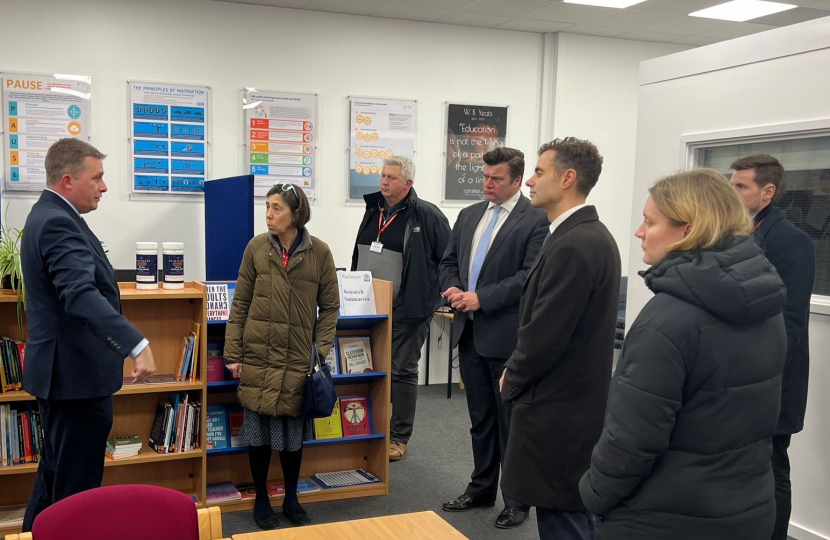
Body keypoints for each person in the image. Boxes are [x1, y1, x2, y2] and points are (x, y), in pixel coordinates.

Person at [579, 169, 788, 540]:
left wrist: (594, 494)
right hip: (749, 509)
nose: (639, 232)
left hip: (664, 518)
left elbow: (632, 440)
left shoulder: (666, 321)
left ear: (687, 230)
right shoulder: (766, 305)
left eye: (649, 221)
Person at [20, 138, 157, 530]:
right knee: (75, 492)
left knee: (53, 479)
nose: (104, 186)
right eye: (96, 177)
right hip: (76, 381)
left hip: (64, 379)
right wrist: (136, 342)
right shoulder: (59, 222)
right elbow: (80, 295)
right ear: (67, 180)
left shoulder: (46, 214)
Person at [500, 137, 621, 540]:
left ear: (568, 178)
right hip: (572, 404)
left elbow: (546, 333)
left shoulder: (576, 243)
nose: (530, 181)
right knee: (573, 510)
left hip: (559, 408)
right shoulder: (584, 235)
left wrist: (512, 376)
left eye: (538, 172)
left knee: (562, 513)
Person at [438, 147, 548, 529]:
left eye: (496, 178)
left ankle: (516, 501)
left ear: (517, 181)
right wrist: (452, 288)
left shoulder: (535, 219)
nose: (487, 183)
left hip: (507, 337)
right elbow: (448, 261)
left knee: (510, 424)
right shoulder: (469, 216)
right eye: (484, 176)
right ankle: (481, 488)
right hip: (468, 334)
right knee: (480, 419)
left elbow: (529, 277)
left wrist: (481, 298)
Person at [224, 183, 339, 530]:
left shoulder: (319, 252)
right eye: (268, 207)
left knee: (293, 434)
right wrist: (233, 352)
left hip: (297, 359)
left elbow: (330, 307)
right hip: (259, 354)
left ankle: (291, 497)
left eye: (277, 208)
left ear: (297, 214)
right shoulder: (256, 248)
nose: (269, 215)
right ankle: (261, 498)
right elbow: (240, 302)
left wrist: (317, 351)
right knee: (258, 434)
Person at [729, 155, 815, 540]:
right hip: (739, 379)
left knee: (773, 468)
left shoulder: (791, 241)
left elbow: (790, 325)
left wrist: (756, 375)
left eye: (740, 186)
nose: (731, 193)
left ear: (768, 191)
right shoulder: (736, 232)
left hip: (773, 382)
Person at [351, 155, 450, 461]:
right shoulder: (373, 209)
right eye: (382, 176)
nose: (384, 182)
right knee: (372, 371)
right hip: (371, 308)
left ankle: (399, 437)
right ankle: (372, 429)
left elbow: (447, 261)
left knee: (402, 371)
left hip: (409, 310)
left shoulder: (427, 216)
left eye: (391, 178)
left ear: (408, 183)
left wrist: (435, 298)